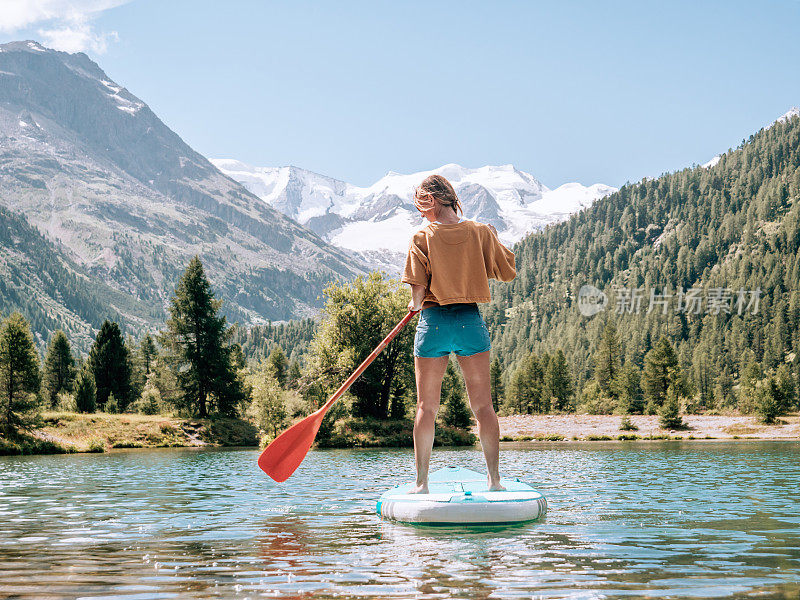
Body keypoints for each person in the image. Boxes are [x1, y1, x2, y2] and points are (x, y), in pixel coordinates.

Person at [401, 174, 516, 494]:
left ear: (432, 200)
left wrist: (413, 305)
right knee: (483, 407)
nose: (419, 212)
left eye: (420, 204)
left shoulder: (421, 237)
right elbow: (507, 271)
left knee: (426, 408)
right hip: (469, 322)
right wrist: (493, 238)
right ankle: (494, 481)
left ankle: (421, 484)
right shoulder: (479, 232)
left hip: (433, 323)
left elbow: (417, 296)